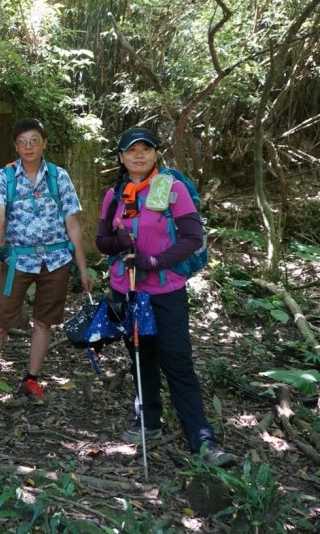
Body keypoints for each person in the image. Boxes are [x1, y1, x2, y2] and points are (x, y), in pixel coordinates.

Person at [95, 126, 236, 467]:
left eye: (146, 149)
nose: (138, 155)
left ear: (156, 153)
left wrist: (153, 261)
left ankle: (202, 439)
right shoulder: (119, 194)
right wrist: (121, 243)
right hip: (128, 289)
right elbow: (103, 241)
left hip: (166, 289)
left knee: (177, 360)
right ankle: (148, 422)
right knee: (141, 357)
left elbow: (191, 237)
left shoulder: (171, 189)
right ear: (121, 156)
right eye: (131, 150)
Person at [0, 118, 92, 407]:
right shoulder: (5, 177)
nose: (28, 147)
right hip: (17, 259)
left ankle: (31, 380)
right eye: (22, 142)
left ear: (44, 143)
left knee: (44, 322)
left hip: (56, 261)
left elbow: (73, 224)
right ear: (15, 146)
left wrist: (81, 268)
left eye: (34, 141)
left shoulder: (59, 176)